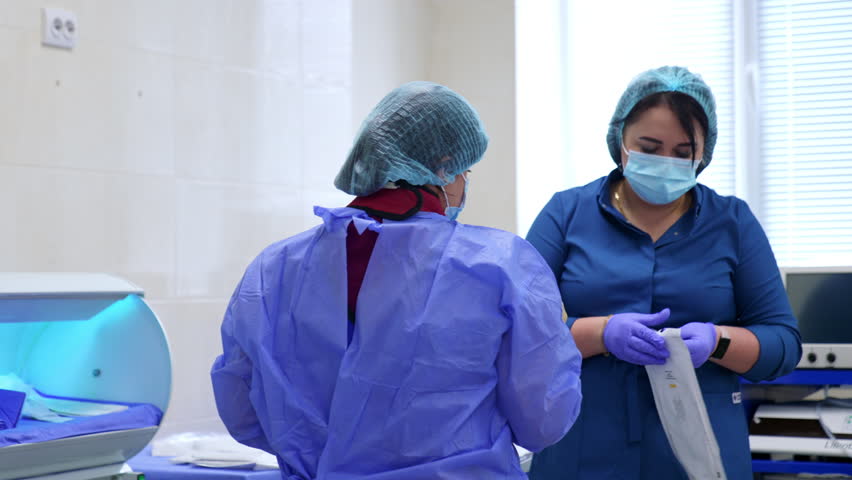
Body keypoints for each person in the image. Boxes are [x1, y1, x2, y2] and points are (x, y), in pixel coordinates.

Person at [211, 81, 583, 480]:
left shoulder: (274, 268)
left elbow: (241, 411)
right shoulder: (500, 265)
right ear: (442, 168)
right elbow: (543, 419)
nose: (463, 184)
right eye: (465, 171)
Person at [525, 66, 802, 479]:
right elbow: (518, 332)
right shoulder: (565, 214)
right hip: (581, 447)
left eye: (682, 151)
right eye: (649, 147)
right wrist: (599, 333)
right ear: (620, 141)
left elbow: (782, 345)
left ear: (703, 153)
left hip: (700, 455)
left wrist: (718, 341)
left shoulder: (733, 223)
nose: (665, 162)